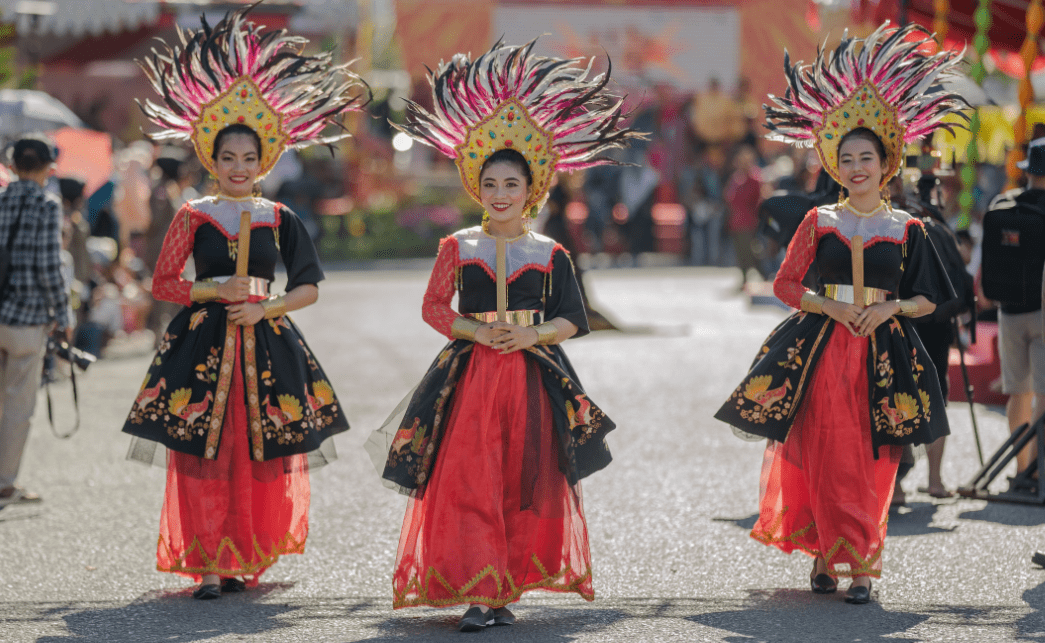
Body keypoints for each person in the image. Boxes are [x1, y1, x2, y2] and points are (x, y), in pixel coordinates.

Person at [365, 40, 642, 631]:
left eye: (511, 185)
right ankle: (479, 586)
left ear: (531, 189)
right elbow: (434, 307)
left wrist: (532, 337)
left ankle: (502, 585)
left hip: (530, 376)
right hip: (469, 374)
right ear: (476, 185)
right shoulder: (457, 246)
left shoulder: (549, 253)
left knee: (522, 478)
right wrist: (476, 331)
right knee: (469, 477)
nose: (499, 195)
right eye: (490, 184)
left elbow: (574, 319)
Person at [715, 23, 967, 605]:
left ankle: (861, 564)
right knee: (823, 452)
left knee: (872, 459)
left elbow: (932, 297)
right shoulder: (818, 223)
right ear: (834, 163)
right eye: (846, 159)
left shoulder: (907, 229)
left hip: (882, 354)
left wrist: (890, 311)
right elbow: (783, 283)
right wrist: (829, 304)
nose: (856, 168)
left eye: (867, 158)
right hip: (822, 349)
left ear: (887, 164)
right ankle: (828, 552)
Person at [120, 7, 365, 599]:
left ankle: (241, 558)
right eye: (227, 158)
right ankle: (206, 562)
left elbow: (307, 285)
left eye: (248, 159)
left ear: (264, 163)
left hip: (264, 338)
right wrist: (214, 291)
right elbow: (163, 283)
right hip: (201, 342)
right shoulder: (191, 215)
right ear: (211, 158)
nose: (237, 167)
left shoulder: (281, 218)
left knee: (258, 452)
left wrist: (264, 307)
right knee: (203, 452)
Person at [0, 136, 70, 507]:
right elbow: (49, 268)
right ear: (48, 169)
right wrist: (64, 314)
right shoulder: (47, 204)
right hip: (26, 320)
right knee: (17, 407)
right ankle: (5, 484)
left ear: (11, 166)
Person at [993, 140, 1045, 478]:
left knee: (1017, 393)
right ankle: (1040, 474)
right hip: (1044, 311)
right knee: (1043, 395)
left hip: (1009, 311)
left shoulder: (1004, 204)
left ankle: (1022, 468)